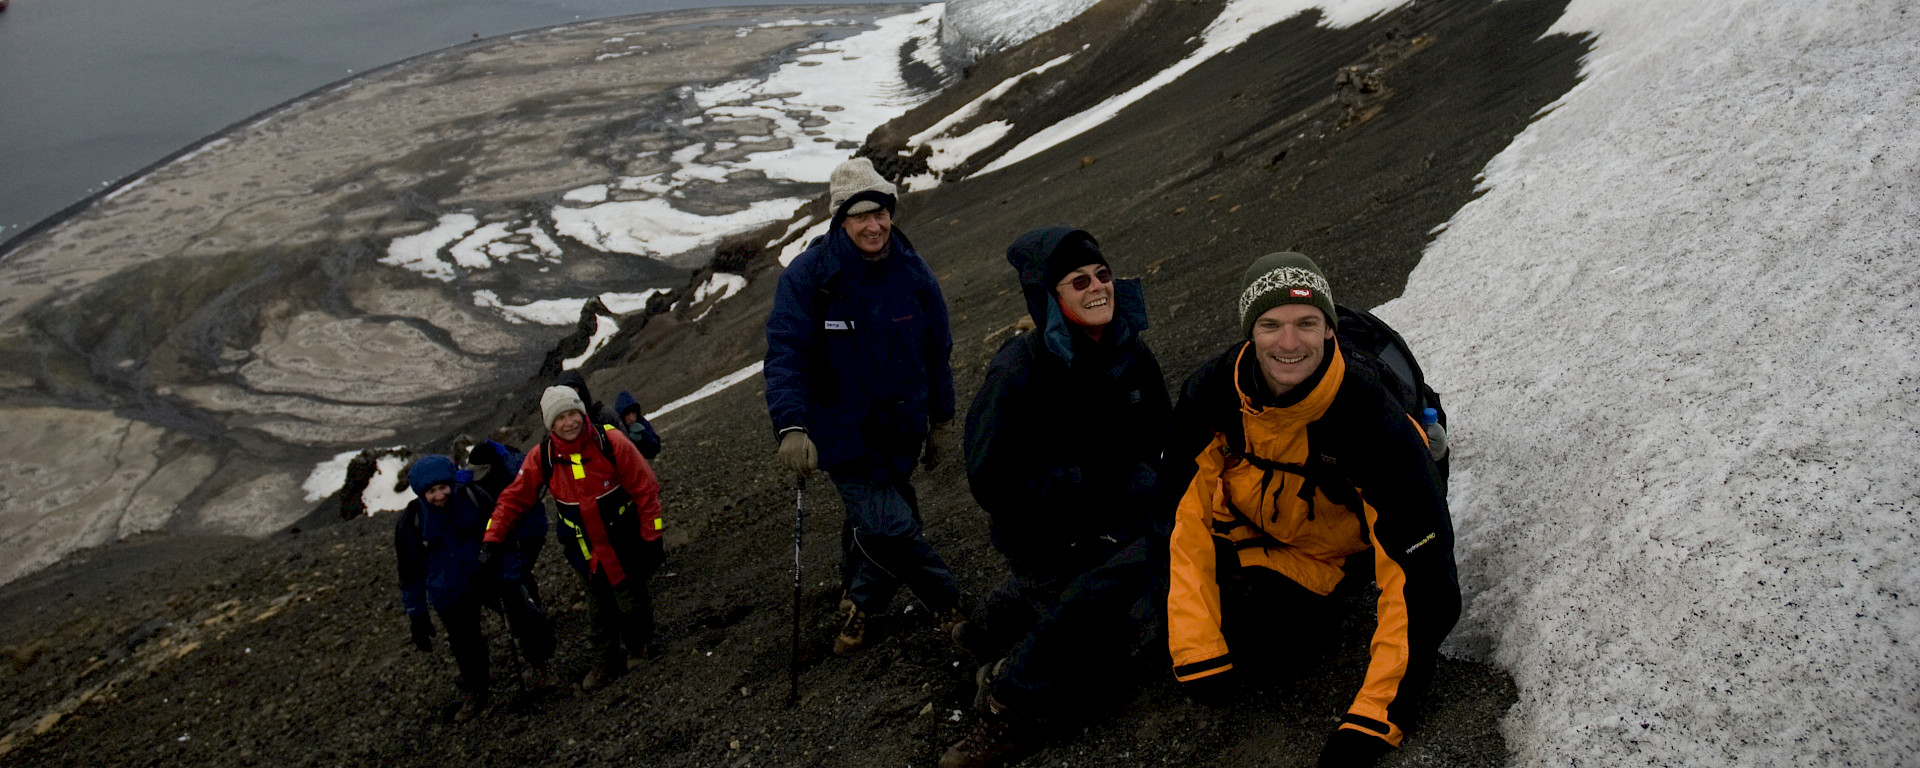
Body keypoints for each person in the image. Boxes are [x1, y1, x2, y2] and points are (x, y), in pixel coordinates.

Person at [1163, 253, 1460, 767]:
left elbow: (1425, 577)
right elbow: (1176, 515)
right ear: (1249, 333)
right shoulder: (1213, 390)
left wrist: (1375, 718)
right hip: (1245, 527)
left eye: (1306, 323)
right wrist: (1197, 648)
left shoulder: (1369, 416)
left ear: (1329, 331)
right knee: (1151, 611)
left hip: (1332, 556)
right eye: (1270, 325)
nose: (1289, 343)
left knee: (1268, 648)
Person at [940, 226, 1171, 768]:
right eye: (1078, 280)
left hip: (1115, 526)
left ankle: (1002, 616)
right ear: (1051, 296)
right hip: (1046, 540)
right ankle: (1003, 687)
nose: (1097, 288)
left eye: (1103, 275)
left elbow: (1163, 435)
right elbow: (991, 482)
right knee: (1108, 669)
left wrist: (1146, 481)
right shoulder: (1016, 373)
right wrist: (1092, 481)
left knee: (1144, 596)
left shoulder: (1132, 353)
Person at [763, 156, 966, 655]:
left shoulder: (913, 273)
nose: (875, 226)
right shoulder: (811, 277)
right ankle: (951, 606)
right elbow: (785, 352)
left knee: (872, 521)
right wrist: (791, 426)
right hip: (841, 433)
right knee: (892, 524)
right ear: (841, 219)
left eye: (882, 213)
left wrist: (941, 420)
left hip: (900, 429)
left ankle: (861, 602)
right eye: (861, 216)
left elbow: (937, 350)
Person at [482, 385, 665, 690]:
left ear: (582, 413)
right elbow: (513, 499)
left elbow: (645, 489)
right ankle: (606, 661)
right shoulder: (544, 457)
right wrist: (492, 540)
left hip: (624, 543)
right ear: (550, 425)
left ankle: (637, 649)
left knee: (632, 601)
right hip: (585, 551)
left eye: (573, 414)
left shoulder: (611, 442)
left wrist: (652, 535)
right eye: (560, 418)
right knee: (599, 609)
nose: (569, 423)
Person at [395, 454, 556, 722]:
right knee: (465, 643)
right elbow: (408, 573)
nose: (439, 496)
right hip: (450, 592)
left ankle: (542, 668)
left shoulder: (474, 498)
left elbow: (504, 535)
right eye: (431, 491)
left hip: (489, 577)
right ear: (421, 493)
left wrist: (509, 575)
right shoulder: (411, 522)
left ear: (451, 482)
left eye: (443, 487)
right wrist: (416, 614)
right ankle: (477, 691)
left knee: (524, 618)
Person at [614, 390, 663, 460]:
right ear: (622, 416)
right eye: (627, 414)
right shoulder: (617, 431)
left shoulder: (642, 423)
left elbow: (656, 448)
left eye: (633, 413)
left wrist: (644, 435)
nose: (631, 418)